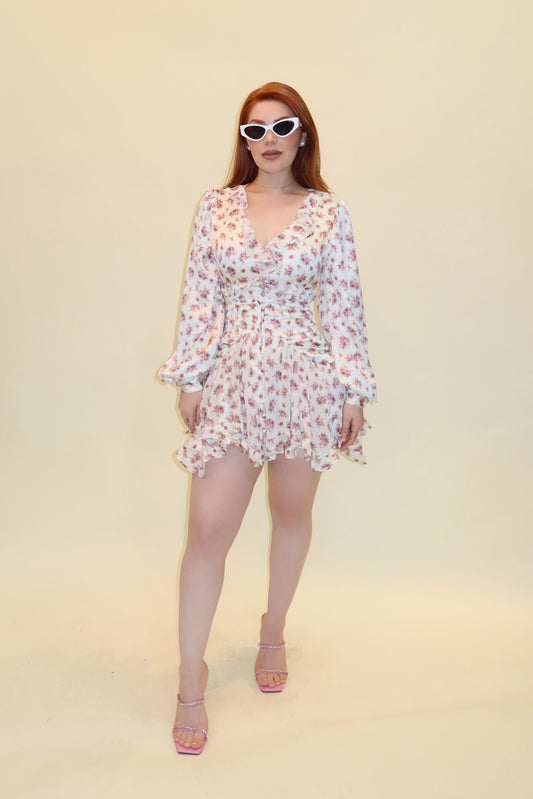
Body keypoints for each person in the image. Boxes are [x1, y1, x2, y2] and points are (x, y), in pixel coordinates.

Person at [158, 82, 377, 755]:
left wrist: (352, 392)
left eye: (282, 126)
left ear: (302, 134)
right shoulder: (217, 206)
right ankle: (190, 679)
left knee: (290, 512)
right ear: (244, 141)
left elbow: (342, 306)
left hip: (305, 382)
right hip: (232, 381)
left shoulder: (328, 213)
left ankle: (273, 629)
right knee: (206, 528)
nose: (269, 139)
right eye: (254, 130)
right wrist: (191, 377)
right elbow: (200, 298)